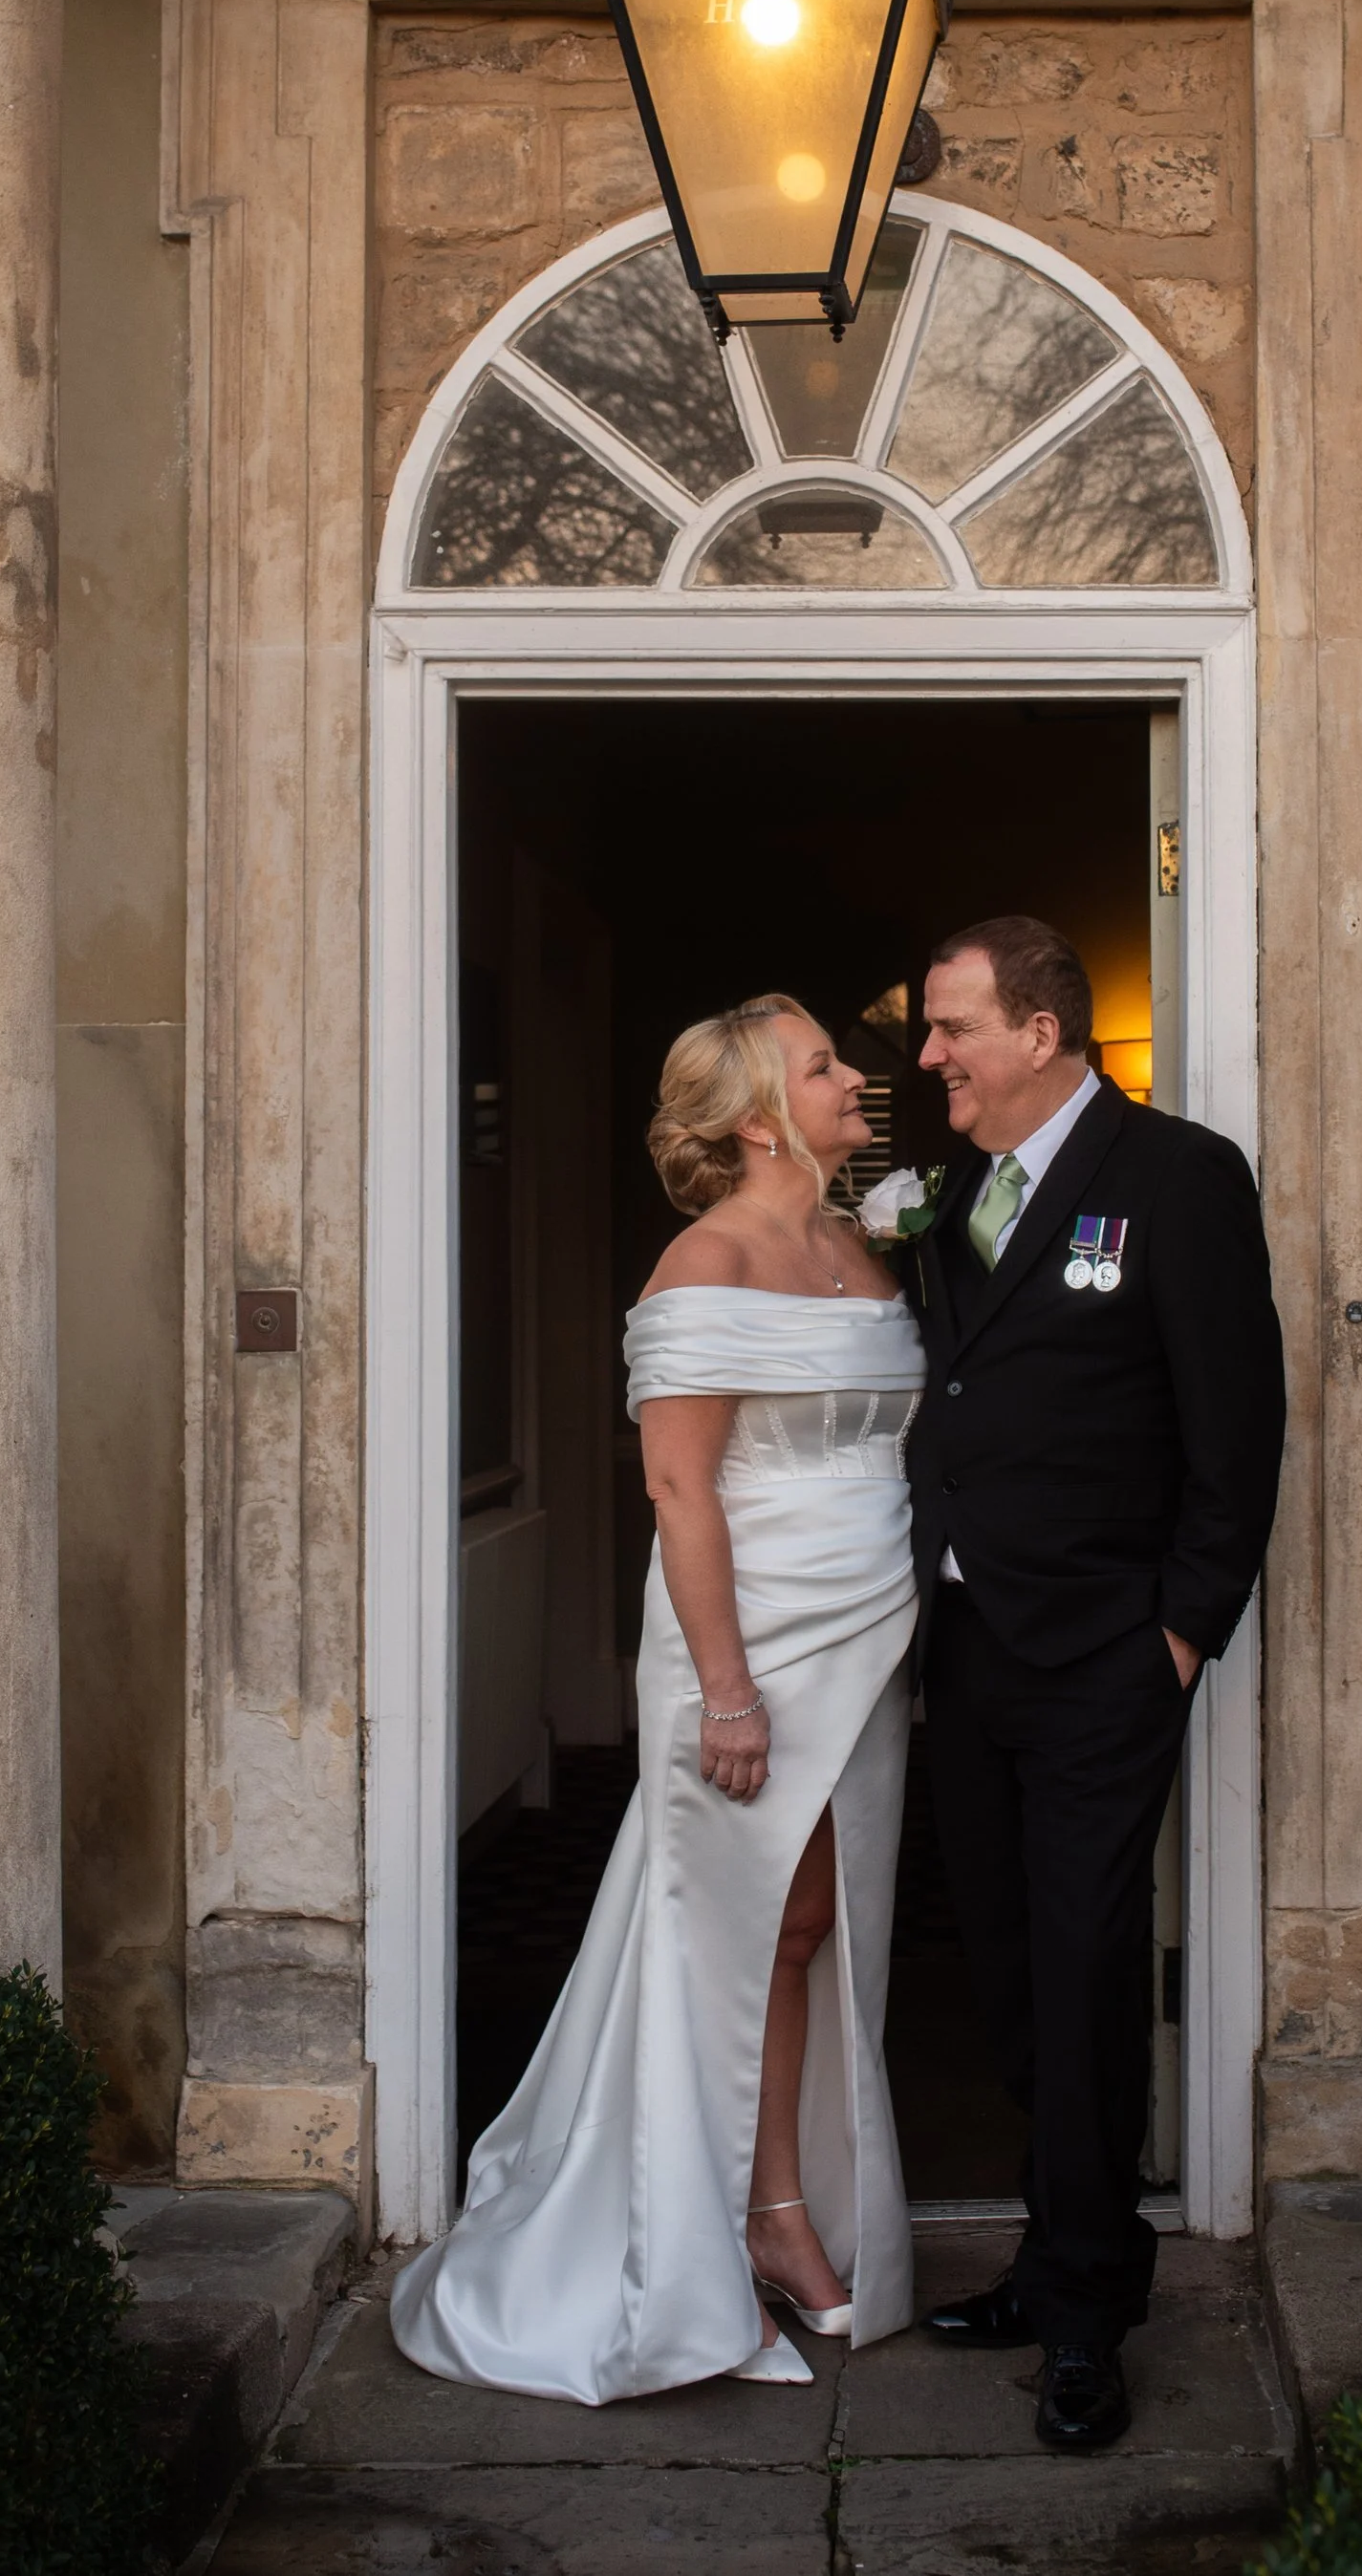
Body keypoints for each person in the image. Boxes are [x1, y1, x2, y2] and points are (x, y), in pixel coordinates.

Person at [390, 995, 926, 2403]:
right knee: (722, 1938)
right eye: (824, 1067)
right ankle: (689, 2257)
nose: (852, 1079)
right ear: (759, 1117)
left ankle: (777, 2213)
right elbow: (681, 1490)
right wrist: (729, 1697)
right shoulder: (704, 1263)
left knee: (807, 1927)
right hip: (749, 1640)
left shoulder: (859, 1246)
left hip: (870, 1635)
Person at [901, 914, 1286, 2458]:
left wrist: (1182, 1633)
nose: (927, 1055)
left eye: (950, 1028)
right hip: (967, 1648)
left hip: (1105, 1658)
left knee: (1084, 1972)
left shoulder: (1176, 1179)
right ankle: (1056, 2249)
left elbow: (1236, 1426)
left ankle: (1084, 2315)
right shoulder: (939, 1203)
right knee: (997, 1960)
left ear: (1041, 1035)